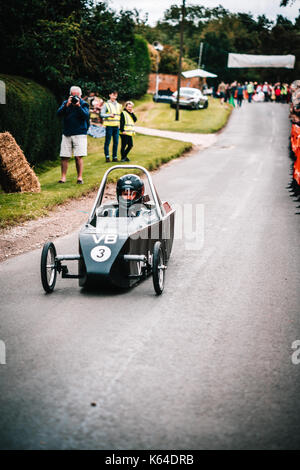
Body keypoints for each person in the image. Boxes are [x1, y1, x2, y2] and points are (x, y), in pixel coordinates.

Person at [57, 85, 89, 184]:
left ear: (80, 95)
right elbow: (58, 114)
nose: (75, 98)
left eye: (77, 96)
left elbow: (86, 116)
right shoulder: (65, 103)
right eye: (73, 95)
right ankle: (63, 177)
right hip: (67, 133)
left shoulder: (84, 104)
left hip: (79, 133)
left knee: (78, 156)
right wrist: (66, 105)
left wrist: (78, 106)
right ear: (70, 95)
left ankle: (79, 177)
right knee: (64, 156)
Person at [101, 90, 122, 162]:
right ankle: (107, 157)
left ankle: (115, 157)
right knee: (108, 142)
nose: (114, 96)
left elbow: (120, 116)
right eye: (113, 95)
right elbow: (102, 114)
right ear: (110, 95)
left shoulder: (119, 105)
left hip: (116, 126)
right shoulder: (106, 104)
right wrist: (109, 115)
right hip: (109, 126)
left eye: (116, 95)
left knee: (116, 142)